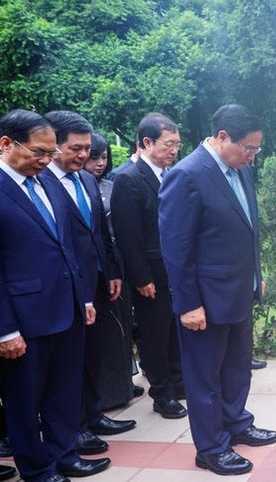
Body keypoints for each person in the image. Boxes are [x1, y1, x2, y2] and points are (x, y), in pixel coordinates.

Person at [159, 104, 276, 476]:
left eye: (257, 149)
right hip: (205, 302)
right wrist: (188, 304)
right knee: (204, 377)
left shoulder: (239, 171)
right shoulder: (187, 175)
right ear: (223, 136)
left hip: (238, 292)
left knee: (236, 367)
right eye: (249, 148)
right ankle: (211, 447)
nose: (252, 156)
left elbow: (246, 227)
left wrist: (256, 273)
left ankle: (236, 423)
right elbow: (176, 248)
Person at [0, 109, 111, 482]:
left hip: (67, 309)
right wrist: (5, 330)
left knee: (64, 393)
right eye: (38, 153)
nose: (46, 161)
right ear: (5, 144)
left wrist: (84, 299)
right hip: (23, 319)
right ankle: (38, 469)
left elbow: (69, 248)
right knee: (24, 402)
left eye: (50, 153)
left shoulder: (47, 181)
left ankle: (66, 455)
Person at [40, 112, 136, 456]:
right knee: (70, 363)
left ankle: (94, 413)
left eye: (87, 148)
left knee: (93, 352)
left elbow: (100, 235)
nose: (83, 156)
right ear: (54, 146)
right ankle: (74, 427)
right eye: (75, 148)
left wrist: (110, 271)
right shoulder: (43, 184)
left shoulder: (85, 181)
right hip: (67, 288)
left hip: (96, 281)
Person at [111, 113, 186, 419]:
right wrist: (141, 277)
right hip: (151, 275)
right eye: (169, 144)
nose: (174, 150)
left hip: (177, 271)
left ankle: (179, 382)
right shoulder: (129, 179)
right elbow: (128, 236)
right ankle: (162, 393)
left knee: (176, 331)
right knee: (155, 336)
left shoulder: (174, 175)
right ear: (146, 142)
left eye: (177, 145)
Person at [83, 133, 140, 407]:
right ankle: (103, 395)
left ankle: (122, 385)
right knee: (101, 333)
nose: (98, 163)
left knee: (121, 328)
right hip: (89, 270)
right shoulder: (75, 187)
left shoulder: (110, 185)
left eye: (103, 157)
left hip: (116, 263)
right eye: (94, 157)